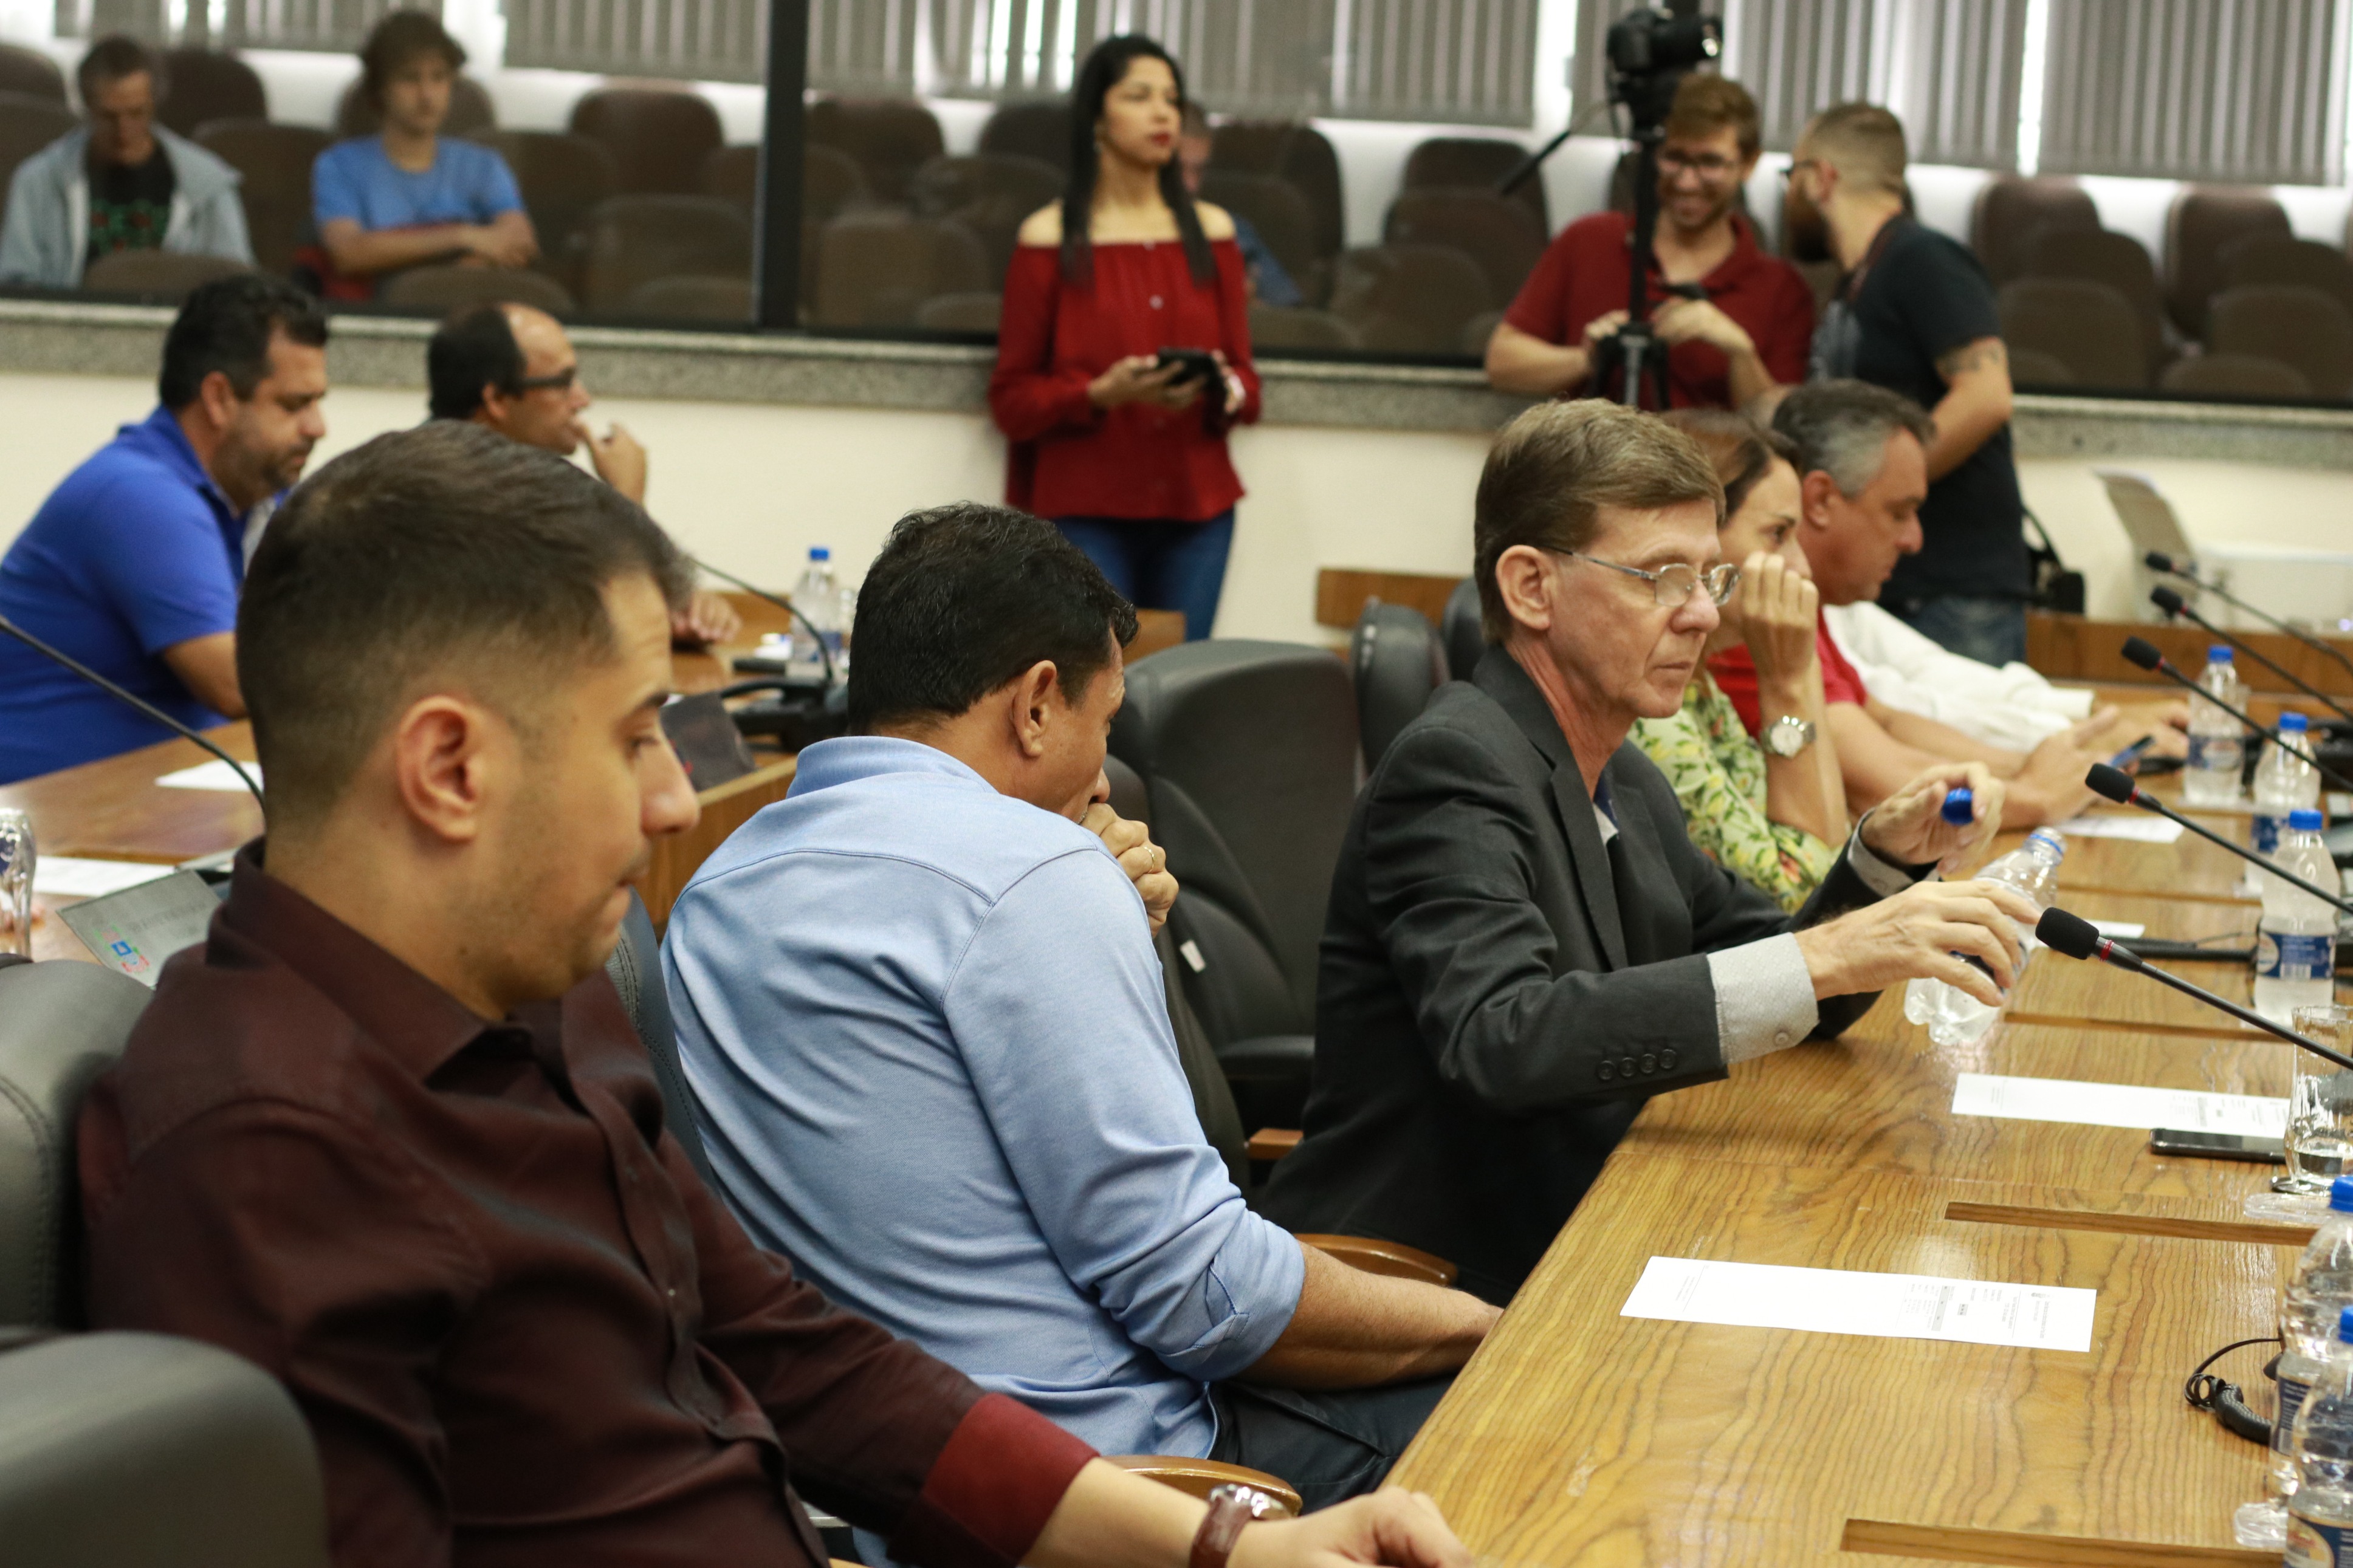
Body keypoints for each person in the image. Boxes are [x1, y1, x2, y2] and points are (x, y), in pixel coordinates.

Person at [79, 420, 1472, 1568]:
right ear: (450, 770)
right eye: (637, 737)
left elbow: (797, 1355)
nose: (674, 800)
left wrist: (1225, 1547)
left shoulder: (544, 997)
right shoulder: (265, 1150)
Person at [665, 503, 1498, 1511]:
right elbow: (1202, 1294)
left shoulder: (716, 884)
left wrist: (1104, 925)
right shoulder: (1034, 874)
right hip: (1104, 1481)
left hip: (850, 1479)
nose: (1103, 777)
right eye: (1102, 725)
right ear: (1034, 705)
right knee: (1541, 1422)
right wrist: (1491, 1327)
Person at [1257, 400, 2038, 1305]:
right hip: (1443, 1284)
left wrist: (1879, 866)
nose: (1703, 613)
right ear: (1531, 587)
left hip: (1603, 1227)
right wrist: (1824, 951)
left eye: (1709, 577)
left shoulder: (1621, 769)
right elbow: (1504, 1038)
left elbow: (1794, 987)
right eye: (1663, 577)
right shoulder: (1456, 765)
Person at [1708, 380, 2114, 826]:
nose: (1914, 539)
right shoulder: (1746, 616)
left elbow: (1883, 719)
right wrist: (2036, 796)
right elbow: (1875, 783)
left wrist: (2035, 768)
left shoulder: (1793, 597)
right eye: (1779, 533)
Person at [0, 274, 325, 782]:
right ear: (219, 398)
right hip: (47, 811)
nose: (318, 426)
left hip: (161, 797)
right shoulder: (137, 494)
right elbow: (237, 686)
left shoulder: (262, 499)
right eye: (293, 404)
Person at [990, 33, 1260, 643]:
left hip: (1197, 510)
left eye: (1171, 99)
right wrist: (1099, 394)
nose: (1163, 114)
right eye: (1139, 97)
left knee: (1181, 683)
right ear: (1096, 117)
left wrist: (1221, 387)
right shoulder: (1048, 237)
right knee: (1100, 681)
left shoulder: (1214, 232)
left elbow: (1248, 382)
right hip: (1085, 510)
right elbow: (1011, 399)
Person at [1784, 102, 2028, 667]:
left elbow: (1986, 396)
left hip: (1953, 589)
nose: (1788, 194)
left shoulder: (1923, 259)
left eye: (1791, 175)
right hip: (1898, 581)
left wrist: (1876, 493)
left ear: (1821, 178)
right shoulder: (1859, 280)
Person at [1484, 74, 1812, 408]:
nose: (1687, 182)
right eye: (1674, 158)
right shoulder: (1587, 241)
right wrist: (1588, 359)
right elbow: (1503, 363)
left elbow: (1781, 424)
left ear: (1749, 163)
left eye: (1710, 162)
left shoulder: (1782, 289)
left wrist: (1739, 352)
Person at [427, 301, 740, 645]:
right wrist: (627, 498)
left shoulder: (535, 482)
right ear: (498, 399)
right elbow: (588, 626)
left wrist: (686, 611)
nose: (583, 400)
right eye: (563, 382)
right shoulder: (439, 494)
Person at [1631, 411, 1846, 912]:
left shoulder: (1700, 685)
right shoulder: (1648, 707)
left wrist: (1801, 669)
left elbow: (1832, 846)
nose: (1802, 567)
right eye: (1778, 534)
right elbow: (1799, 896)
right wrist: (1787, 681)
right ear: (1702, 537)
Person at [309, 10, 534, 298]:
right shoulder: (339, 165)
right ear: (381, 89)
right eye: (410, 78)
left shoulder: (484, 165)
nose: (427, 94)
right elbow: (348, 253)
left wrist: (462, 273)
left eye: (439, 77)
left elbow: (520, 241)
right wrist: (463, 236)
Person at [0, 35, 252, 289]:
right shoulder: (40, 181)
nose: (124, 130)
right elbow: (15, 282)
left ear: (154, 104)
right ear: (87, 109)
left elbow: (236, 284)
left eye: (137, 113)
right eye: (109, 117)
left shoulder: (207, 185)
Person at [1823, 597, 2187, 758]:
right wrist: (2081, 737)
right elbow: (1901, 711)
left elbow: (1935, 672)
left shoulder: (1840, 606)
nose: (1914, 539)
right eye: (1897, 513)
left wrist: (2095, 713)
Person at [1175, 102, 1302, 307]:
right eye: (1178, 169)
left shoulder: (1231, 231)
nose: (1191, 185)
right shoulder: (1125, 236)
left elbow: (1289, 311)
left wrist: (1250, 305)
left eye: (1199, 170)